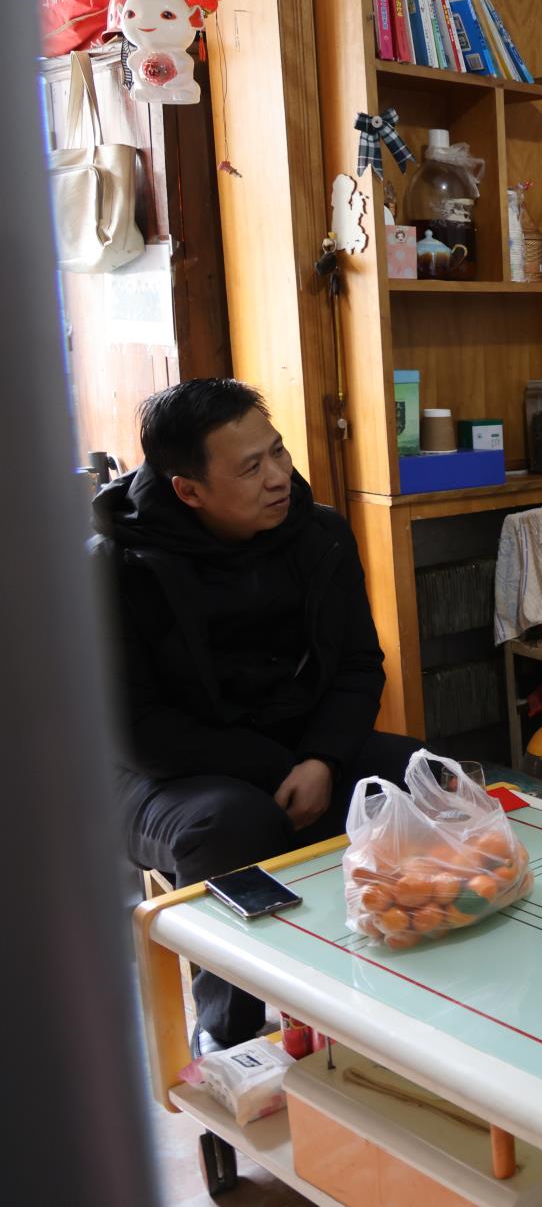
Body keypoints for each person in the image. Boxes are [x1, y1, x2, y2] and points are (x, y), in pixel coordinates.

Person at [96, 379, 423, 1051]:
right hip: (163, 774)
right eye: (251, 468)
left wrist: (323, 759)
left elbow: (360, 665)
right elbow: (138, 729)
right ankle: (228, 1034)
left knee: (420, 775)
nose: (278, 477)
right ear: (189, 490)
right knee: (234, 822)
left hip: (301, 746)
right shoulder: (119, 565)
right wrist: (282, 769)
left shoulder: (320, 533)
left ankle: (401, 990)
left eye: (277, 452)